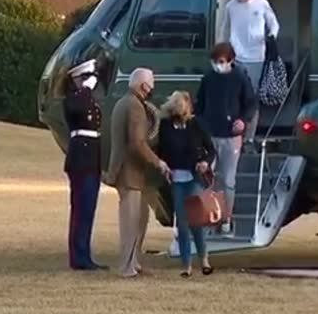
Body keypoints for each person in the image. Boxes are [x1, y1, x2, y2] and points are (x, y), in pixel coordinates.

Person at [104, 67, 171, 278]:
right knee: (131, 222)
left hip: (128, 172)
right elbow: (137, 143)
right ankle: (126, 267)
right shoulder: (134, 106)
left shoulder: (124, 103)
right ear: (144, 85)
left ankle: (133, 262)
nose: (152, 89)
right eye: (151, 84)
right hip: (129, 173)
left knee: (139, 218)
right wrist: (158, 162)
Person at [195, 43, 256, 238]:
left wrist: (243, 121)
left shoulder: (239, 78)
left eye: (221, 62)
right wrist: (202, 126)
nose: (217, 65)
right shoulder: (208, 78)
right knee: (210, 179)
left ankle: (227, 219)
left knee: (229, 180)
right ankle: (210, 218)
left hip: (231, 137)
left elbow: (250, 104)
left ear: (230, 60)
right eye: (215, 62)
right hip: (210, 135)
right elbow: (200, 105)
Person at [157, 91, 215, 278]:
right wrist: (164, 166)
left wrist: (205, 162)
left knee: (196, 221)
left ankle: (204, 258)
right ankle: (186, 264)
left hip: (194, 177)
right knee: (181, 224)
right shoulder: (165, 126)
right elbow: (162, 150)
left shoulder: (196, 124)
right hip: (176, 179)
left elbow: (211, 149)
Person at [221, 0, 280, 145]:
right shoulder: (230, 6)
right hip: (236, 57)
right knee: (234, 97)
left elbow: (274, 23)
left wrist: (271, 37)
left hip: (256, 58)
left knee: (252, 99)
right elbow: (224, 29)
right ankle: (235, 135)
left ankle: (250, 138)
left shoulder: (261, 4)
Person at [62, 59, 108, 271]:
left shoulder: (88, 99)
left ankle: (84, 254)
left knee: (88, 210)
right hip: (81, 158)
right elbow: (77, 109)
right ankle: (79, 256)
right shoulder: (74, 99)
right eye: (88, 78)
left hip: (91, 158)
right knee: (81, 209)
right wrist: (85, 89)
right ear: (78, 80)